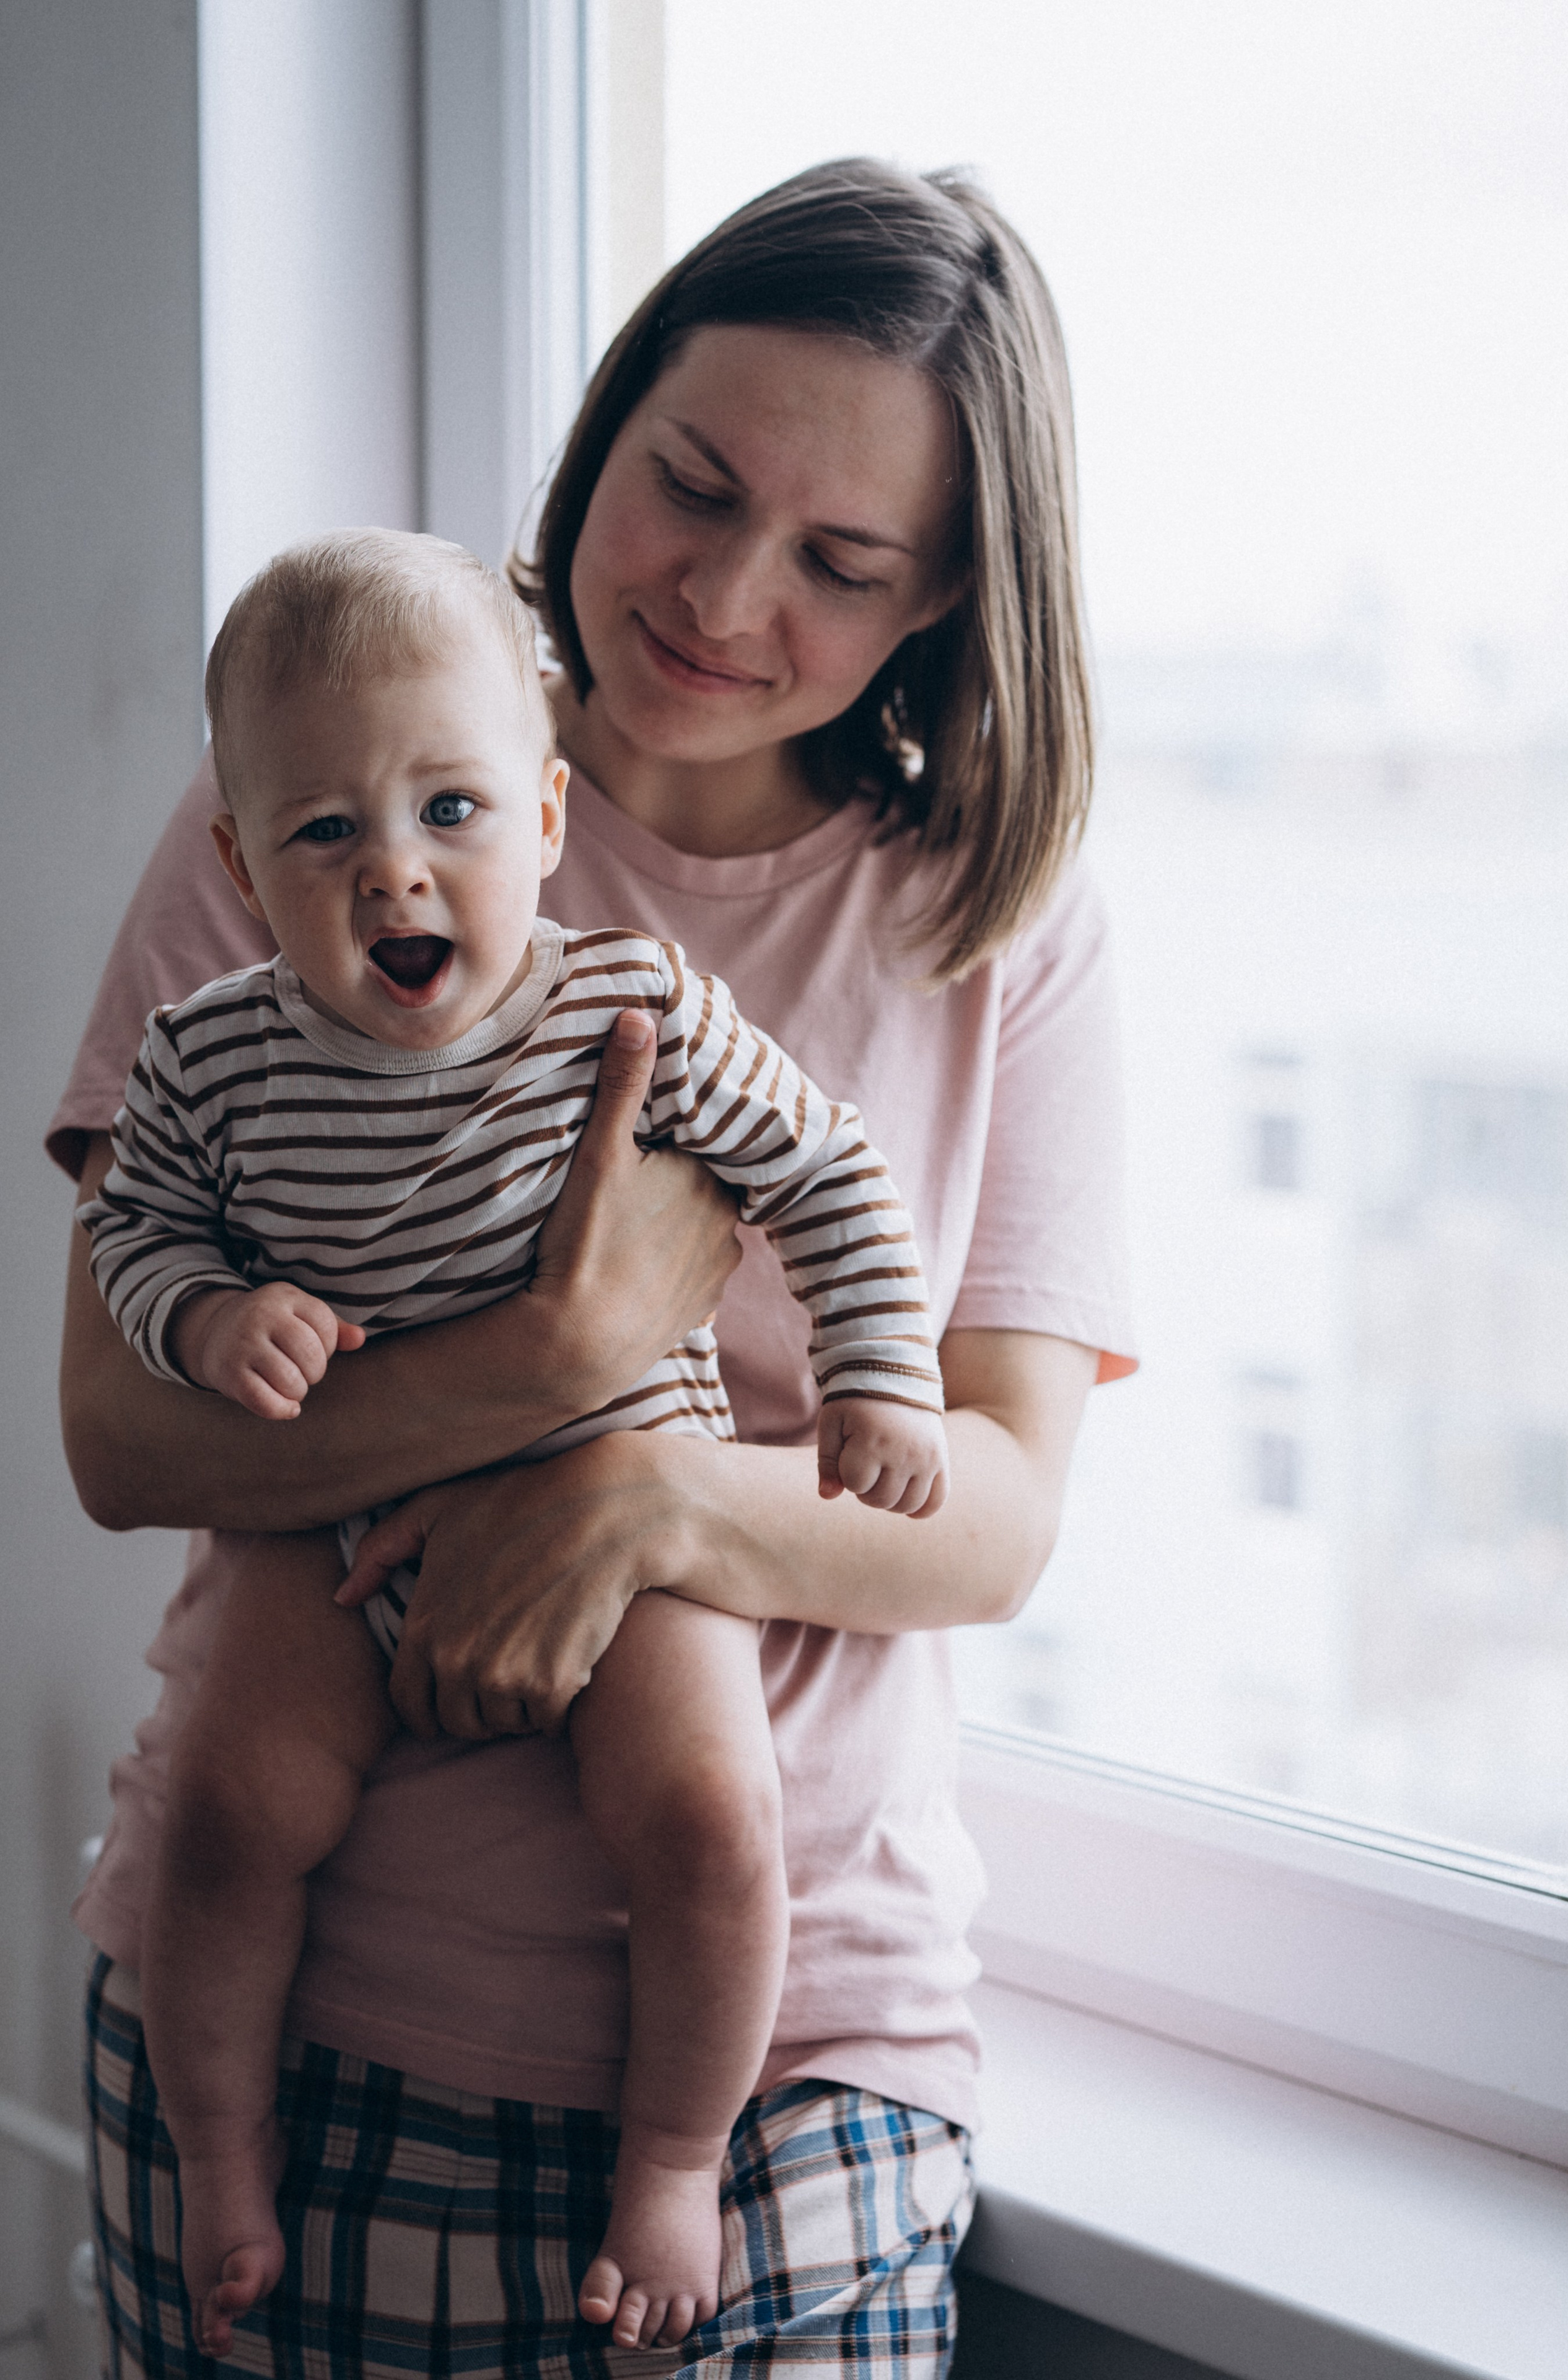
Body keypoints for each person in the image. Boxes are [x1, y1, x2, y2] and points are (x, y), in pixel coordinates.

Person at [55, 159, 1137, 2376]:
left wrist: (633, 1498)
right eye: (694, 484)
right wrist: (566, 1345)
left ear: (946, 598)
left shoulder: (992, 919)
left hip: (791, 2038)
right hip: (293, 1983)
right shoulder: (332, 776)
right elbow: (114, 1427)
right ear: (607, 419)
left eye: (842, 564)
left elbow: (1002, 1514)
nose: (728, 598)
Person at [82, 525, 948, 2358]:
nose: (394, 866)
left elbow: (827, 1169)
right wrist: (217, 1317)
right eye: (323, 834)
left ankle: (670, 2158)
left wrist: (880, 1374)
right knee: (233, 1822)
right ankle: (224, 2158)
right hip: (338, 1512)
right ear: (242, 866)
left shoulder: (622, 1005)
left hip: (630, 1487)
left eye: (450, 810)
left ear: (545, 818)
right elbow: (138, 1243)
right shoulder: (212, 1061)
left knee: (711, 1815)